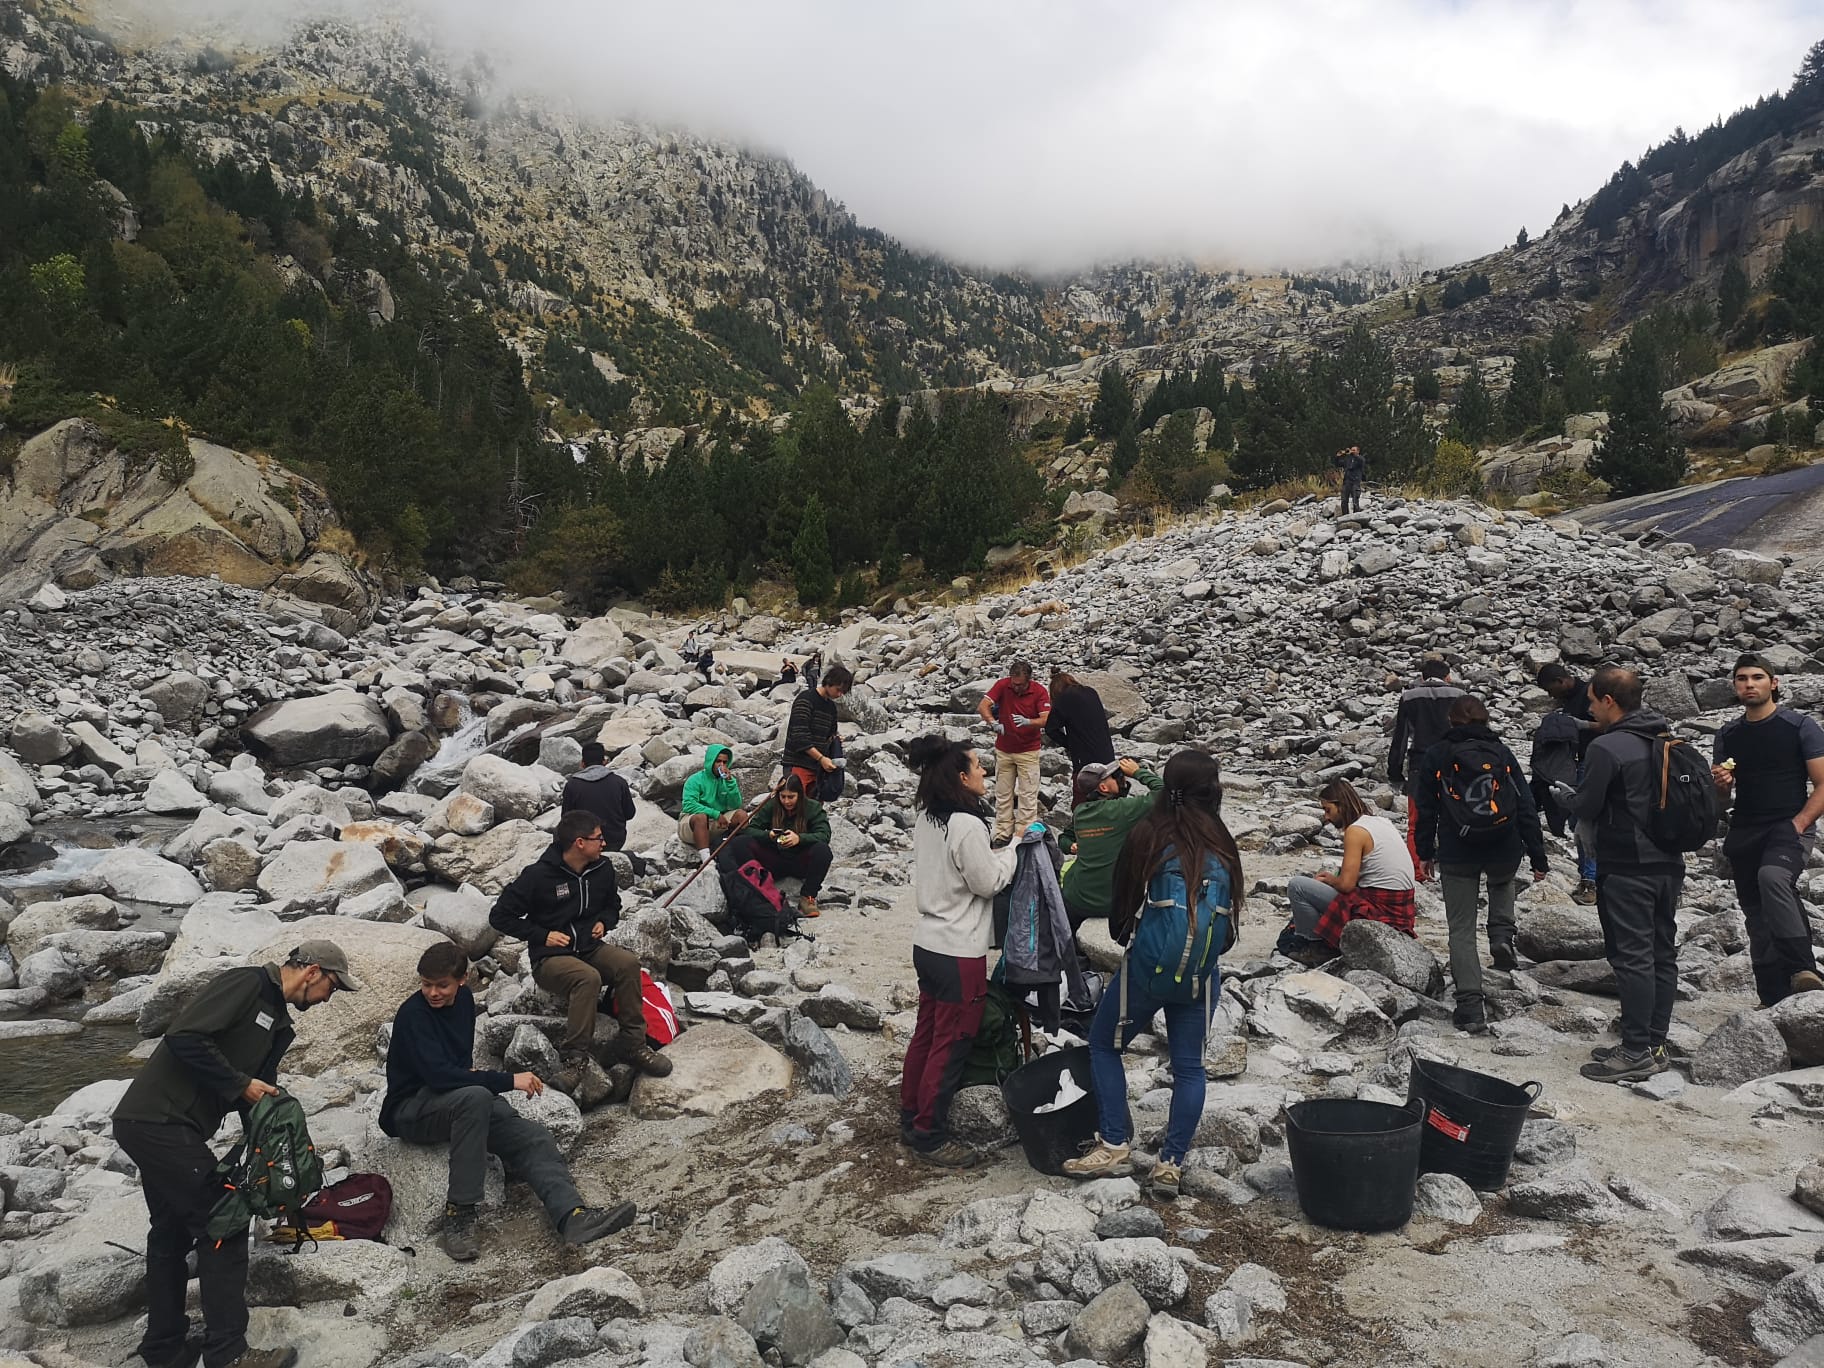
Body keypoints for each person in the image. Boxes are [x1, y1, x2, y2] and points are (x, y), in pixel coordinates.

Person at [112, 941, 359, 1368]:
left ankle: (164, 1351)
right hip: (154, 1121)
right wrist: (238, 1082)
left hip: (170, 1127)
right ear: (313, 972)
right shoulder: (247, 984)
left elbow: (255, 1100)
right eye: (332, 988)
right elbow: (183, 1037)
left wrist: (275, 1159)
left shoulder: (279, 1023)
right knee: (223, 1220)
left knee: (170, 1234)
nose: (326, 1000)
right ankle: (228, 1354)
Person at [380, 942, 636, 1262]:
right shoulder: (412, 1015)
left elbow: (458, 1069)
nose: (433, 992)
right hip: (410, 1109)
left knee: (533, 1135)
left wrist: (477, 1082)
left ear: (463, 980)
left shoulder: (460, 1005)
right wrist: (507, 1081)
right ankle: (458, 1216)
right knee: (476, 1096)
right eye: (426, 984)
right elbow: (440, 1077)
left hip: (455, 1102)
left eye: (441, 985)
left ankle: (572, 1216)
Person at [1063, 749, 1241, 1201]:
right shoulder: (1222, 841)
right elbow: (1230, 928)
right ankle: (1171, 1163)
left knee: (1105, 1044)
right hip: (1201, 974)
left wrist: (1130, 940)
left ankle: (1114, 1142)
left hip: (1148, 967)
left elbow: (1122, 904)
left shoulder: (1151, 833)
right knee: (1189, 1068)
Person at [901, 735, 1021, 1167]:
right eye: (977, 765)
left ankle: (910, 1113)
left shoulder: (927, 818)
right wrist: (1014, 849)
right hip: (958, 950)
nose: (984, 771)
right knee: (950, 1044)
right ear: (959, 775)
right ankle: (929, 1136)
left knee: (927, 1033)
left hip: (928, 941)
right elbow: (987, 882)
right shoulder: (967, 825)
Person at [1560, 667, 1684, 1083]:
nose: (1590, 708)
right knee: (1662, 953)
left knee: (1631, 957)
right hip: (1669, 863)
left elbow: (1589, 805)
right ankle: (1654, 1043)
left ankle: (1634, 1051)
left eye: (1592, 701)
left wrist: (1569, 800)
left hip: (1627, 866)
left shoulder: (1607, 746)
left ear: (1609, 701)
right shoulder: (1667, 740)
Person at [488, 810, 672, 1089]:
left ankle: (634, 1045)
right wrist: (542, 935)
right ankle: (575, 1060)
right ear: (579, 843)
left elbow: (613, 905)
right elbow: (499, 917)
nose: (604, 843)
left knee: (627, 964)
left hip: (589, 947)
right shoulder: (538, 876)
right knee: (587, 978)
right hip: (549, 959)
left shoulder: (602, 869)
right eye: (598, 838)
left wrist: (604, 922)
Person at [1413, 696, 1549, 1033]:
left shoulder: (1437, 754)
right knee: (1502, 883)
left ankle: (1471, 1006)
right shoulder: (1501, 752)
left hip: (1458, 847)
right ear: (1485, 720)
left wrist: (1425, 851)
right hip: (1503, 842)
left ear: (1451, 720)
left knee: (1461, 930)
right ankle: (1502, 934)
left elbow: (1425, 808)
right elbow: (1526, 804)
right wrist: (1538, 856)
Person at [1712, 653, 1824, 1006]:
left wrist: (1800, 824)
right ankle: (1771, 998)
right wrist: (1721, 784)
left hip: (1788, 825)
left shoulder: (1799, 727)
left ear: (1773, 683)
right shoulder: (1728, 734)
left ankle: (1803, 969)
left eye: (1757, 677)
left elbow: (1823, 783)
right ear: (1735, 685)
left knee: (1774, 878)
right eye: (1742, 678)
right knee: (1756, 915)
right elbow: (1720, 800)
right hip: (1744, 828)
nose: (1749, 684)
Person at [1280, 778, 1417, 964]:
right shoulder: (1380, 822)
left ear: (1342, 806)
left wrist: (1329, 880)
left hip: (1379, 910)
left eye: (1328, 810)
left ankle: (1315, 947)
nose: (1326, 817)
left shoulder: (1355, 831)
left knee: (1298, 886)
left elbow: (1346, 885)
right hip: (1402, 912)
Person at [1389, 658, 1467, 880]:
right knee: (1452, 816)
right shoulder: (1459, 696)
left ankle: (1417, 870)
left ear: (1422, 677)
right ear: (1448, 677)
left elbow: (1401, 737)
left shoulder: (1409, 697)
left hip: (1420, 764)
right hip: (1453, 764)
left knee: (1416, 821)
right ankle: (1453, 867)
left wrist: (1395, 772)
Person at [1059, 758, 1162, 924]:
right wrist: (1138, 772)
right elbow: (1163, 793)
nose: (1121, 778)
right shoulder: (1123, 810)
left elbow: (1062, 839)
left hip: (1078, 900)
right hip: (1115, 903)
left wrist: (1068, 846)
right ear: (1103, 787)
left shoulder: (1081, 812)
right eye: (1115, 776)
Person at [719, 773, 833, 918]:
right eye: (783, 797)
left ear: (800, 795)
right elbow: (750, 829)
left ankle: (807, 897)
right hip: (775, 859)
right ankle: (760, 885)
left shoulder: (813, 807)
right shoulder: (772, 805)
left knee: (823, 851)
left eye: (791, 797)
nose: (786, 801)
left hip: (800, 860)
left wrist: (800, 838)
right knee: (739, 843)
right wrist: (768, 836)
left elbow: (824, 835)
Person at [1535, 664, 1599, 904]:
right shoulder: (1570, 699)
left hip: (1593, 763)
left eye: (1551, 690)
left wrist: (1575, 724)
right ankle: (1589, 876)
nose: (1551, 696)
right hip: (1577, 764)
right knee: (1578, 822)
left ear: (1561, 680)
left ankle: (1591, 880)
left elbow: (1607, 724)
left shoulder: (1588, 695)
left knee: (1584, 820)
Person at [978, 659, 1052, 844]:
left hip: (1028, 751)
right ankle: (1002, 833)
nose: (1015, 687)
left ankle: (1024, 834)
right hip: (1004, 749)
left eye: (1019, 684)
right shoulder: (1003, 685)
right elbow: (983, 706)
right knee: (1003, 793)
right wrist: (992, 722)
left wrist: (1029, 722)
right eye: (1013, 683)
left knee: (1028, 794)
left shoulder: (1039, 691)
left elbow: (1046, 719)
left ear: (1028, 680)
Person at [783, 663, 854, 793]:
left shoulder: (831, 707)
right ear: (829, 682)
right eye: (838, 690)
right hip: (798, 764)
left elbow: (830, 735)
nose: (839, 695)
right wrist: (821, 758)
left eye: (842, 692)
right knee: (793, 806)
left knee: (812, 810)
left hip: (818, 768)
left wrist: (836, 741)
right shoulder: (806, 699)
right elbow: (800, 737)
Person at [678, 744, 748, 863]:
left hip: (717, 822)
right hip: (692, 824)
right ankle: (707, 861)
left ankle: (735, 850)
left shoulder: (728, 780)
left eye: (725, 762)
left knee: (741, 815)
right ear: (711, 761)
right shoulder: (695, 780)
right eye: (718, 761)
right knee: (701, 817)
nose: (722, 765)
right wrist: (715, 813)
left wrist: (730, 783)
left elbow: (736, 805)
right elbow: (689, 805)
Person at [561, 743, 636, 853]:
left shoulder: (572, 785)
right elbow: (630, 814)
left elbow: (566, 819)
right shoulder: (619, 782)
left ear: (582, 764)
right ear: (604, 762)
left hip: (584, 844)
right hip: (615, 841)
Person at [1045, 670, 1116, 777]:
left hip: (1084, 758)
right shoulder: (1091, 692)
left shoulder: (1064, 698)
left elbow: (1051, 728)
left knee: (1085, 788)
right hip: (1106, 752)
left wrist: (1069, 744)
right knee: (1107, 784)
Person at [1334, 445, 1367, 514]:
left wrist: (1352, 454)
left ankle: (1356, 515)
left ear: (1358, 451)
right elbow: (1338, 464)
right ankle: (1345, 515)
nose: (1352, 451)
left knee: (1355, 500)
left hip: (1355, 481)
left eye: (1354, 450)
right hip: (1347, 481)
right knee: (1344, 500)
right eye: (1351, 450)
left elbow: (1361, 461)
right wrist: (1338, 457)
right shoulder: (1348, 459)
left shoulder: (1360, 458)